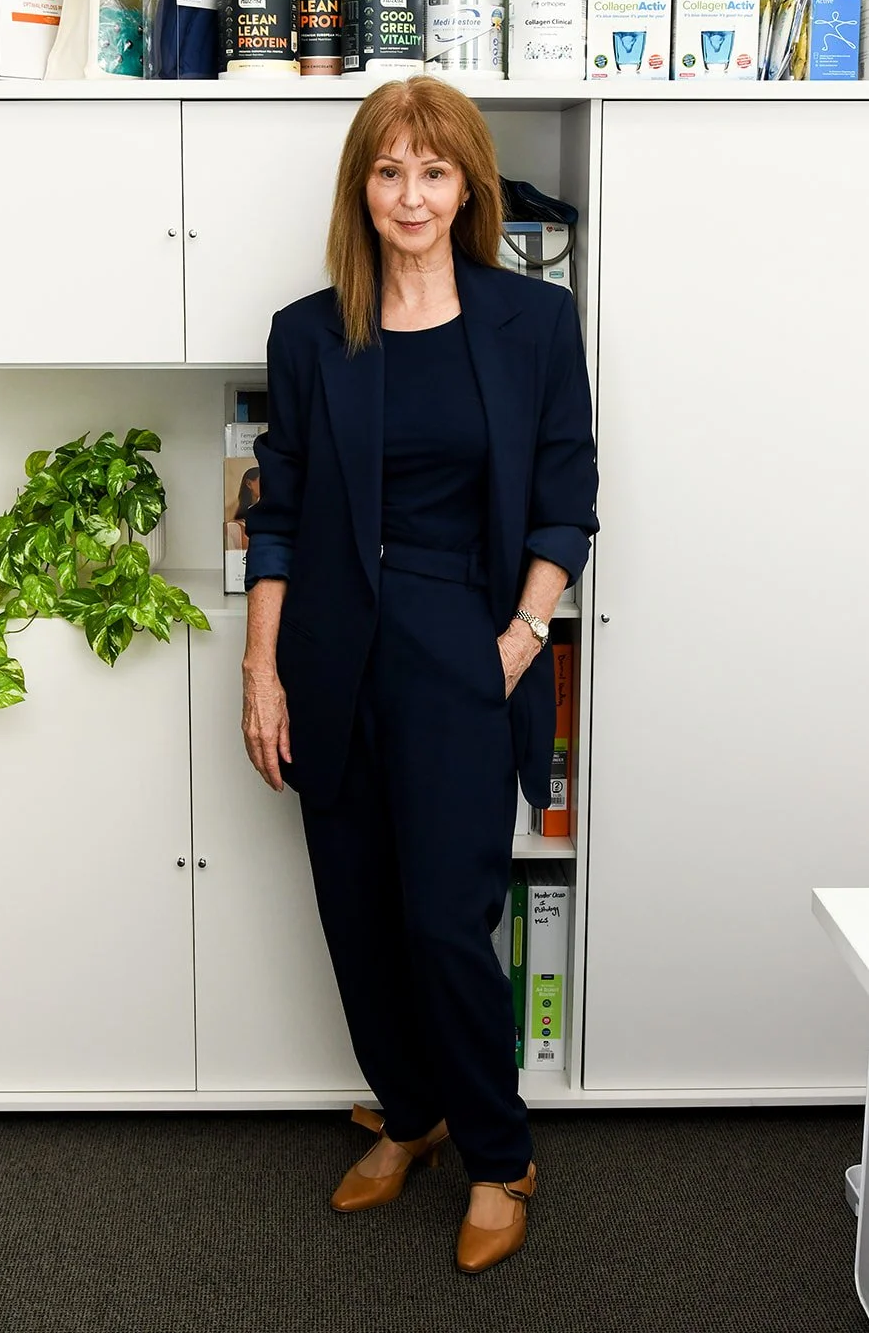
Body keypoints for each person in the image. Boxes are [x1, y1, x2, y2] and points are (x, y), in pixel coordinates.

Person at [240, 75, 598, 1275]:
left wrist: (515, 639)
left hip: (462, 638)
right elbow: (277, 514)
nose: (411, 194)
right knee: (354, 911)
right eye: (388, 171)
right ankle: (411, 1111)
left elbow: (565, 501)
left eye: (433, 171)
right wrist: (262, 669)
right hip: (330, 643)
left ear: (467, 185)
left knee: (446, 919)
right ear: (362, 187)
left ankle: (500, 1155)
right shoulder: (309, 332)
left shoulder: (530, 325)